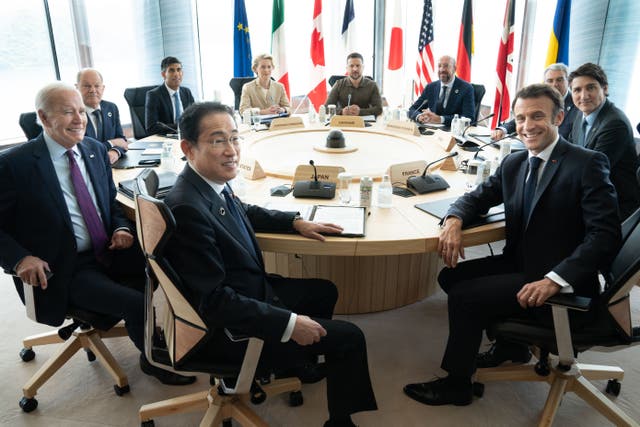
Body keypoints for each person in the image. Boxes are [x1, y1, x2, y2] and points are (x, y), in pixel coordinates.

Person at [403, 83, 621, 406]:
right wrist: (453, 219)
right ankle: (511, 345)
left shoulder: (587, 163)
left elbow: (605, 236)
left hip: (560, 282)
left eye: (537, 116)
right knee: (449, 277)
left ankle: (457, 385)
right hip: (522, 263)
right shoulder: (515, 163)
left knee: (464, 298)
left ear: (559, 117)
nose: (527, 126)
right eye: (520, 118)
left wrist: (554, 280)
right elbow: (476, 197)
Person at [164, 101, 377, 427]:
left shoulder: (204, 184)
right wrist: (290, 324)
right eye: (218, 140)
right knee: (350, 337)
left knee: (323, 291)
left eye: (235, 138)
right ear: (188, 148)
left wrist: (294, 222)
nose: (231, 150)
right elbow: (215, 302)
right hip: (229, 328)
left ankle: (296, 366)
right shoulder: (186, 207)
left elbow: (243, 210)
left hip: (248, 291)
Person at [0, 82, 195, 386]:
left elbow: (110, 204)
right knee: (135, 302)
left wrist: (119, 226)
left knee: (171, 269)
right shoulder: (14, 165)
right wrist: (20, 258)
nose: (79, 119)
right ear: (43, 117)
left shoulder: (94, 149)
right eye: (68, 112)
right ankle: (154, 361)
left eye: (80, 111)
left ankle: (187, 337)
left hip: (108, 249)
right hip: (64, 267)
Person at [569, 62, 639, 220]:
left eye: (591, 88)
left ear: (605, 89)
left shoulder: (615, 123)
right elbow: (568, 152)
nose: (584, 95)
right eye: (577, 90)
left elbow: (590, 172)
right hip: (587, 196)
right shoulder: (580, 115)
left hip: (612, 206)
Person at [491, 63, 579, 141]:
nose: (555, 84)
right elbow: (523, 118)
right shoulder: (541, 99)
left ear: (568, 81)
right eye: (550, 81)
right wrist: (503, 129)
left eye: (559, 80)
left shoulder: (577, 103)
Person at [76, 68, 128, 165]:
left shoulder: (111, 108)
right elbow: (81, 149)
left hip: (112, 165)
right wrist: (111, 143)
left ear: (103, 88)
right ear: (76, 87)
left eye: (97, 86)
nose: (92, 90)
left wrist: (115, 151)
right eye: (87, 86)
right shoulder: (75, 114)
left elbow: (121, 140)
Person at [408, 55, 475, 127]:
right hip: (431, 131)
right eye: (439, 66)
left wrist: (441, 119)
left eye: (446, 66)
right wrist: (419, 116)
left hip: (452, 132)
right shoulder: (431, 87)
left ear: (454, 69)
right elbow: (412, 109)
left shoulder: (466, 88)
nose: (442, 69)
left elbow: (468, 117)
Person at [145, 56, 195, 136]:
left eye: (179, 70)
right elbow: (151, 127)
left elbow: (195, 118)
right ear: (163, 74)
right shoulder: (154, 95)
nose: (176, 74)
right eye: (171, 70)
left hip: (187, 136)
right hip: (166, 139)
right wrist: (181, 126)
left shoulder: (186, 92)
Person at [324, 52, 382, 117]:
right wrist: (342, 111)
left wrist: (360, 112)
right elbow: (326, 108)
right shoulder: (338, 84)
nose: (355, 69)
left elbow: (379, 109)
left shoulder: (372, 85)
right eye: (351, 66)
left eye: (358, 65)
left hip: (365, 123)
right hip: (343, 122)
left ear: (363, 67)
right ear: (347, 68)